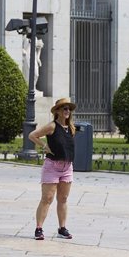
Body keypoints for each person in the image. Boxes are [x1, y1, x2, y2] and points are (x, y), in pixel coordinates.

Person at [28, 97, 77, 240]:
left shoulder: (71, 127)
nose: (67, 111)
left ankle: (62, 228)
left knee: (63, 199)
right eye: (64, 108)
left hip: (67, 167)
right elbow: (32, 135)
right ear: (57, 111)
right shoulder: (52, 126)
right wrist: (44, 146)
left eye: (69, 109)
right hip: (52, 167)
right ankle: (39, 228)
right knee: (47, 198)